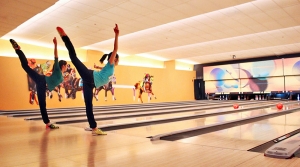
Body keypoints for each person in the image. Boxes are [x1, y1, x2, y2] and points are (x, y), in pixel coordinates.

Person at [56, 24, 119, 135]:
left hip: (90, 84)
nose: (114, 59)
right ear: (114, 58)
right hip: (89, 76)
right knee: (74, 58)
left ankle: (94, 128)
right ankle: (64, 37)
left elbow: (103, 71)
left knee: (89, 105)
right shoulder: (110, 63)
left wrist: (98, 68)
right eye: (114, 58)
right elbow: (115, 49)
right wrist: (116, 35)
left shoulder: (110, 68)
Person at [10, 37, 67, 129]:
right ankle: (18, 50)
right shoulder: (57, 68)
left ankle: (47, 123)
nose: (66, 67)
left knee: (42, 103)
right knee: (26, 67)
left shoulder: (61, 75)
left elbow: (56, 83)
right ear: (63, 65)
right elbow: (56, 56)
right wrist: (55, 45)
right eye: (66, 66)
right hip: (42, 81)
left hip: (43, 85)